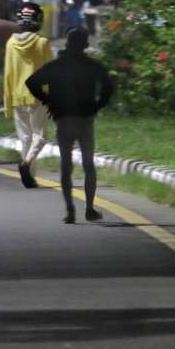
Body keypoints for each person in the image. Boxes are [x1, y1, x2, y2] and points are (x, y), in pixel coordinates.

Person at [25, 28, 114, 223]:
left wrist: (48, 101)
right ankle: (90, 208)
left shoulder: (56, 66)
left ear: (66, 44)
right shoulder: (91, 66)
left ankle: (70, 210)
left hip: (63, 119)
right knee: (88, 165)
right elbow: (109, 86)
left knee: (66, 166)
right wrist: (97, 106)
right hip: (85, 119)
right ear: (85, 46)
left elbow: (31, 82)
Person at [4, 2, 54, 189]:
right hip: (37, 95)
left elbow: (8, 73)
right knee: (40, 137)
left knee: (25, 138)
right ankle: (26, 165)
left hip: (17, 95)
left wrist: (7, 100)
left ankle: (29, 178)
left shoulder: (10, 43)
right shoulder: (42, 43)